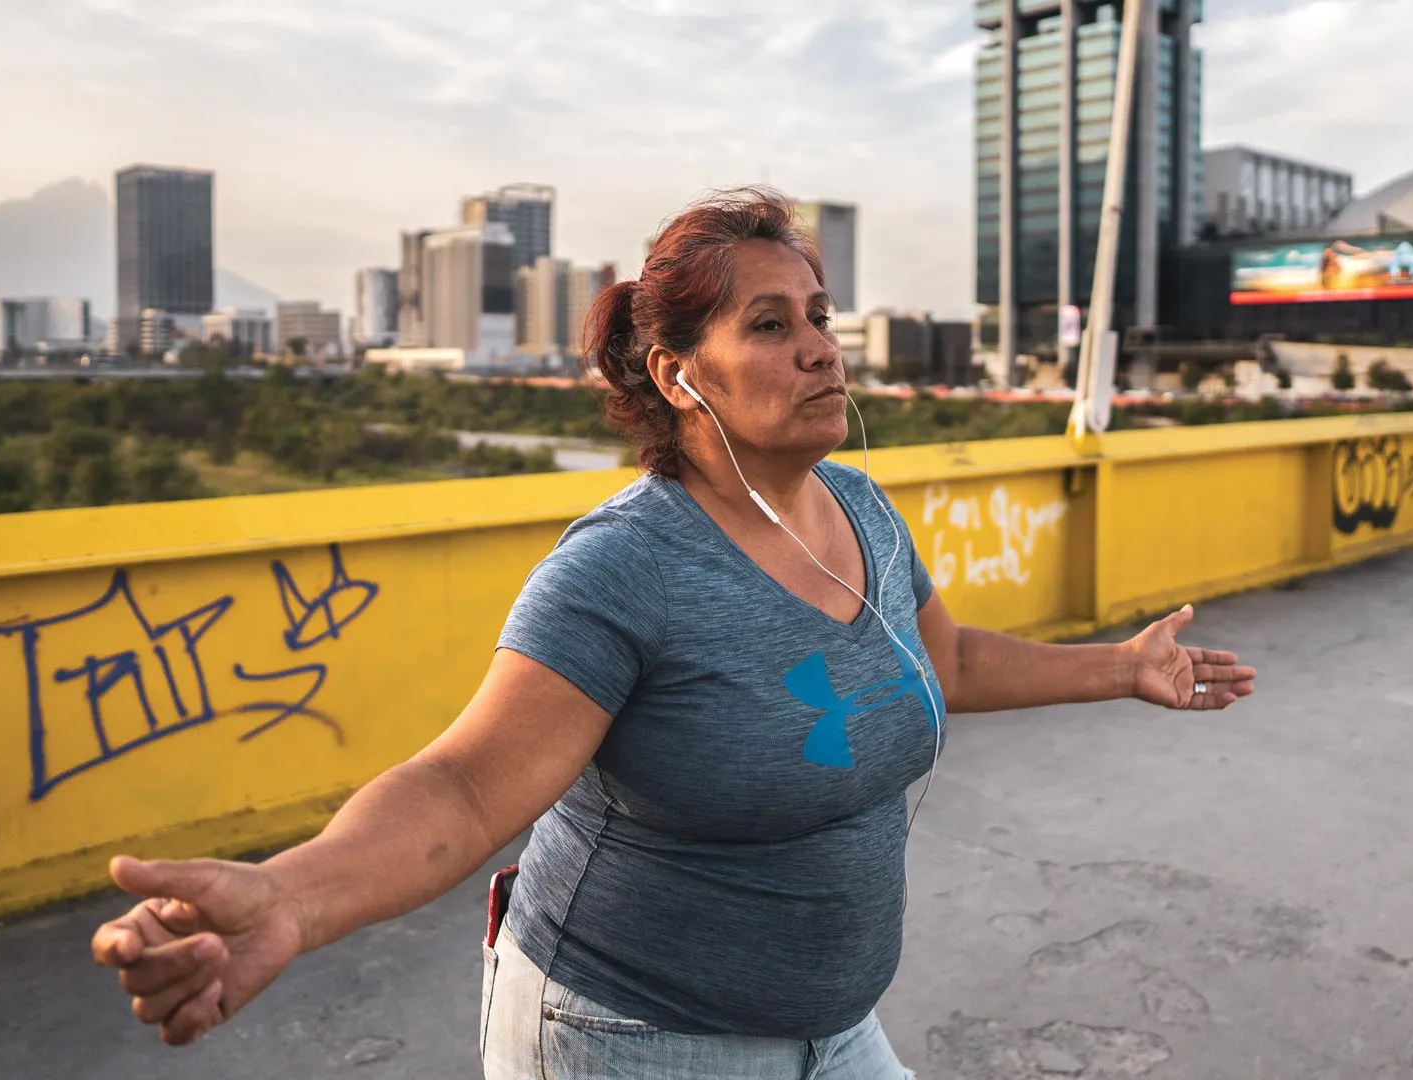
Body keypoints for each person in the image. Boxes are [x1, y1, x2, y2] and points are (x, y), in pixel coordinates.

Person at [90, 188, 1257, 1078]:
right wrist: (293, 898)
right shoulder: (624, 568)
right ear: (678, 376)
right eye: (770, 325)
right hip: (636, 1037)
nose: (819, 348)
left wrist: (1122, 667)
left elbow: (943, 663)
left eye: (820, 316)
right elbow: (462, 787)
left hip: (834, 1031)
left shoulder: (861, 508)